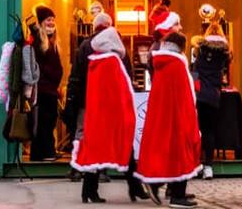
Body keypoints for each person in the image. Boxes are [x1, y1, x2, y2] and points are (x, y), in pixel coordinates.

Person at [71, 16, 148, 203]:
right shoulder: (113, 60)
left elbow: (78, 76)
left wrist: (75, 100)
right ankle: (133, 185)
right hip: (112, 111)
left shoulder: (91, 53)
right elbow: (123, 85)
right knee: (123, 145)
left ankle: (90, 190)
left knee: (96, 146)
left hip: (94, 108)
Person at [135, 11, 201, 209]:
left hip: (165, 115)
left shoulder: (162, 59)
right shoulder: (176, 63)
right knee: (181, 151)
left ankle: (167, 187)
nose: (180, 27)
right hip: (178, 116)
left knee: (168, 151)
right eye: (178, 25)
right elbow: (184, 94)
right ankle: (175, 194)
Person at [191, 20, 230, 181]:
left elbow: (193, 71)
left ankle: (194, 164)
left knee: (196, 130)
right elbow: (225, 70)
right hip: (214, 95)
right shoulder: (225, 53)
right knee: (209, 131)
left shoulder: (198, 50)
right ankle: (208, 166)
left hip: (199, 94)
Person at [30, 5, 63, 161]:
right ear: (41, 22)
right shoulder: (38, 40)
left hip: (51, 90)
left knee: (49, 121)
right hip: (43, 89)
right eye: (48, 19)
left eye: (53, 20)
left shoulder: (52, 41)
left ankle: (46, 151)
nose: (51, 22)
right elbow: (38, 66)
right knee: (44, 121)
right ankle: (45, 153)